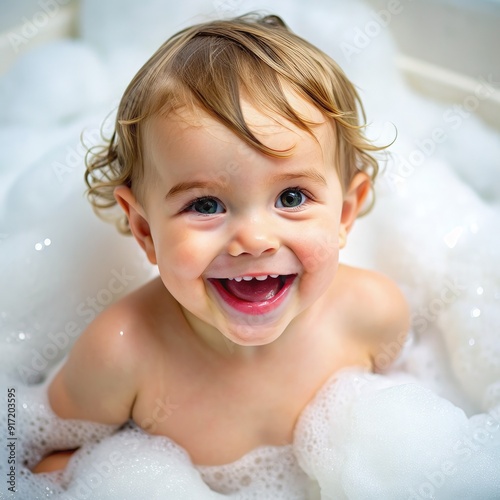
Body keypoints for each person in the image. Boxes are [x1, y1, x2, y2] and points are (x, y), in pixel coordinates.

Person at [35, 13, 409, 472]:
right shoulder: (122, 354)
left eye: (291, 197)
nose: (253, 240)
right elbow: (51, 455)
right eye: (206, 205)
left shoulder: (372, 315)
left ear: (345, 214)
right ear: (146, 230)